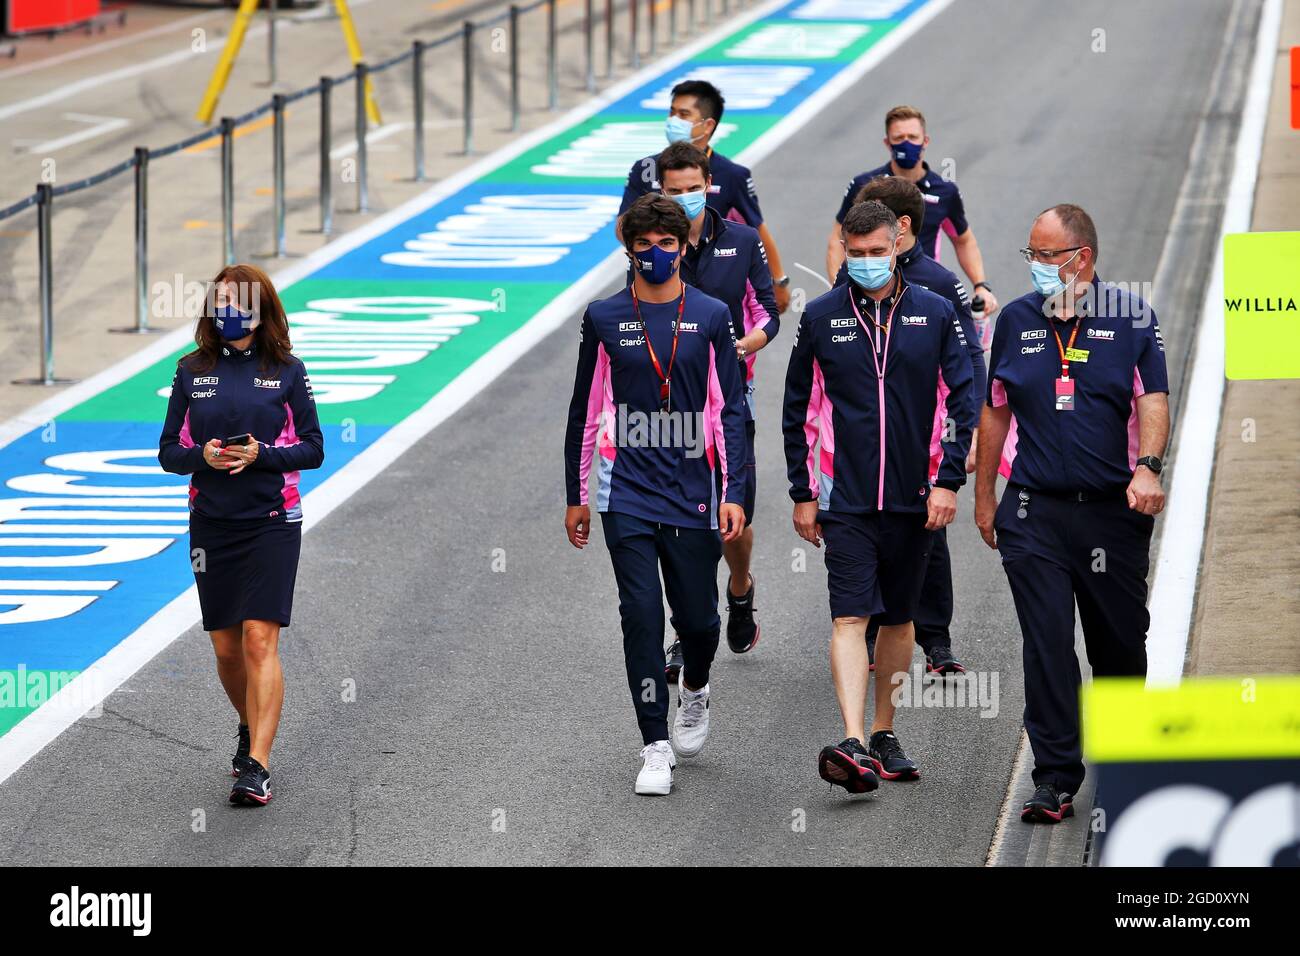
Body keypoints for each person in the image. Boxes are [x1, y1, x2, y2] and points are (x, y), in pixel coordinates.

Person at [973, 204, 1168, 824]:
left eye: (1044, 256)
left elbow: (1154, 399)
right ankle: (1055, 777)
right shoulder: (1016, 322)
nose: (1034, 267)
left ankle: (1125, 763)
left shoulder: (1133, 318)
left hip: (1113, 512)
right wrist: (984, 497)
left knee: (1117, 645)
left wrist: (1150, 466)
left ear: (1080, 258)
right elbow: (996, 409)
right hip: (1034, 512)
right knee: (1048, 641)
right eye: (1029, 255)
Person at [784, 201, 975, 794]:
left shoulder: (936, 311)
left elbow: (960, 401)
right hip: (846, 501)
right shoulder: (819, 318)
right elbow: (798, 410)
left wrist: (947, 481)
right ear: (843, 248)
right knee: (849, 615)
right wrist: (803, 492)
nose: (866, 262)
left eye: (876, 251)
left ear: (898, 245)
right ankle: (852, 739)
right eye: (855, 252)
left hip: (917, 499)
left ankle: (884, 731)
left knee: (898, 620)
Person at [564, 194, 748, 796]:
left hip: (695, 487)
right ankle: (654, 745)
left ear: (682, 246)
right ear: (628, 245)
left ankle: (695, 688)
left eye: (667, 244)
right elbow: (585, 410)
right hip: (628, 493)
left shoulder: (714, 314)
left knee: (697, 622)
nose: (655, 254)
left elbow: (730, 410)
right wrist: (578, 493)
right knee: (640, 617)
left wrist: (735, 490)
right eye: (644, 245)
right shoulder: (603, 316)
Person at [159, 263, 324, 807]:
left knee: (259, 638)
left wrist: (263, 455)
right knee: (228, 649)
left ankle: (257, 766)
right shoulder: (189, 371)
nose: (230, 309)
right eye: (221, 300)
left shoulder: (288, 371)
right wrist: (201, 456)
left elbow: (314, 448)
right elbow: (168, 454)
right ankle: (249, 726)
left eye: (240, 300)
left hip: (274, 522)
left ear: (261, 308)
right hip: (211, 523)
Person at [834, 177, 986, 677]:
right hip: (865, 442)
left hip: (924, 436)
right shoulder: (850, 281)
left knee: (929, 539)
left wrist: (970, 432)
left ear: (900, 230)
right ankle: (873, 629)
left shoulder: (940, 283)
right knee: (869, 535)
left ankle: (936, 639)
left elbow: (969, 358)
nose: (865, 257)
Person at [656, 141, 779, 680]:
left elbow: (769, 314)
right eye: (672, 190)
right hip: (672, 401)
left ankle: (741, 587)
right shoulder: (654, 244)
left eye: (691, 189)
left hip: (731, 395)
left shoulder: (743, 241)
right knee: (686, 518)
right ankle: (686, 631)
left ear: (709, 185)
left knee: (733, 519)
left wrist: (743, 345)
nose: (683, 199)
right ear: (661, 190)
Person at [620, 79, 792, 315]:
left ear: (707, 125)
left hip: (713, 287)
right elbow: (622, 226)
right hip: (654, 285)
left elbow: (758, 231)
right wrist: (653, 248)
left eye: (683, 114)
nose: (673, 121)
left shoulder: (733, 175)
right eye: (672, 112)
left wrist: (779, 280)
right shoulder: (645, 168)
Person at [825, 105, 998, 317]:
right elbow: (837, 237)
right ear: (887, 143)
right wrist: (838, 287)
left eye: (912, 137)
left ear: (925, 141)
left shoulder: (945, 191)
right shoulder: (866, 186)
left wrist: (980, 285)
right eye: (899, 138)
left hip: (924, 289)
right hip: (869, 285)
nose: (906, 143)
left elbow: (964, 240)